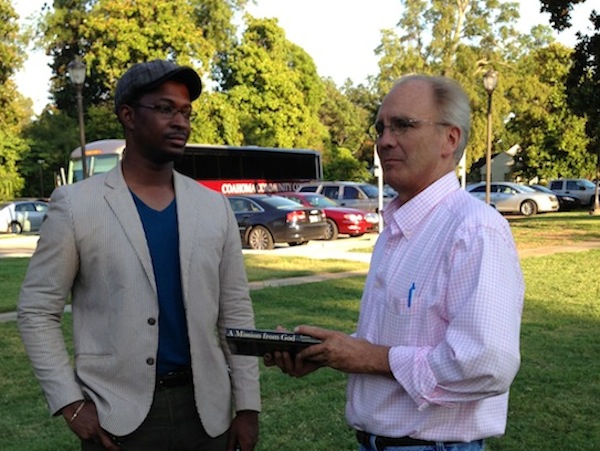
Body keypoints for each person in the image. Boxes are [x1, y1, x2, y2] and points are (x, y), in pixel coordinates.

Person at [265, 74, 524, 451]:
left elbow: (485, 364)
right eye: (381, 127)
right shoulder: (398, 228)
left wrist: (369, 358)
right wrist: (332, 352)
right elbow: (395, 345)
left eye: (403, 125)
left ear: (449, 140)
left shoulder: (475, 229)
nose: (384, 140)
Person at [18, 59, 261, 451]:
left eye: (186, 112)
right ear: (128, 116)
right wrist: (69, 401)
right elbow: (36, 311)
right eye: (166, 109)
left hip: (207, 414)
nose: (180, 122)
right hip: (119, 418)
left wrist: (248, 406)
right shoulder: (77, 205)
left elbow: (235, 311)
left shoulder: (213, 207)